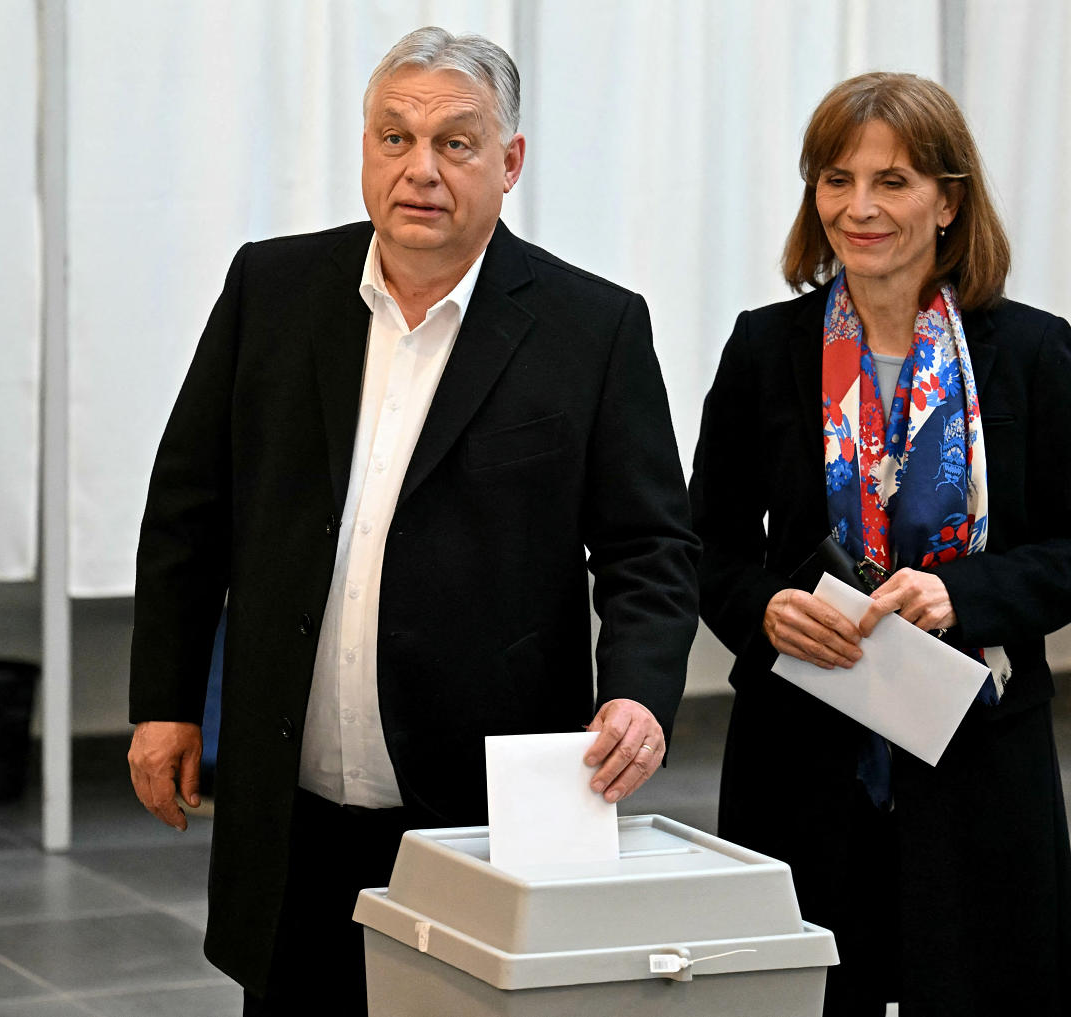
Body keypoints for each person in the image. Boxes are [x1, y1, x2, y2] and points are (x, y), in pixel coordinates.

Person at [126, 27, 698, 1015]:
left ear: (509, 161)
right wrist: (165, 700)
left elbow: (650, 546)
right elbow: (188, 510)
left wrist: (639, 695)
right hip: (291, 795)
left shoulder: (592, 327)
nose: (420, 169)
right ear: (365, 148)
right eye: (394, 137)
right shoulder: (273, 289)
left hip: (479, 802)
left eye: (455, 143)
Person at [689, 72, 1071, 1016]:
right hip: (802, 755)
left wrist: (961, 594)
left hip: (978, 759)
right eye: (837, 180)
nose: (860, 207)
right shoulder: (765, 348)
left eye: (892, 181)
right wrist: (763, 609)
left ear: (948, 200)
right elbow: (702, 544)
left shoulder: (1030, 351)